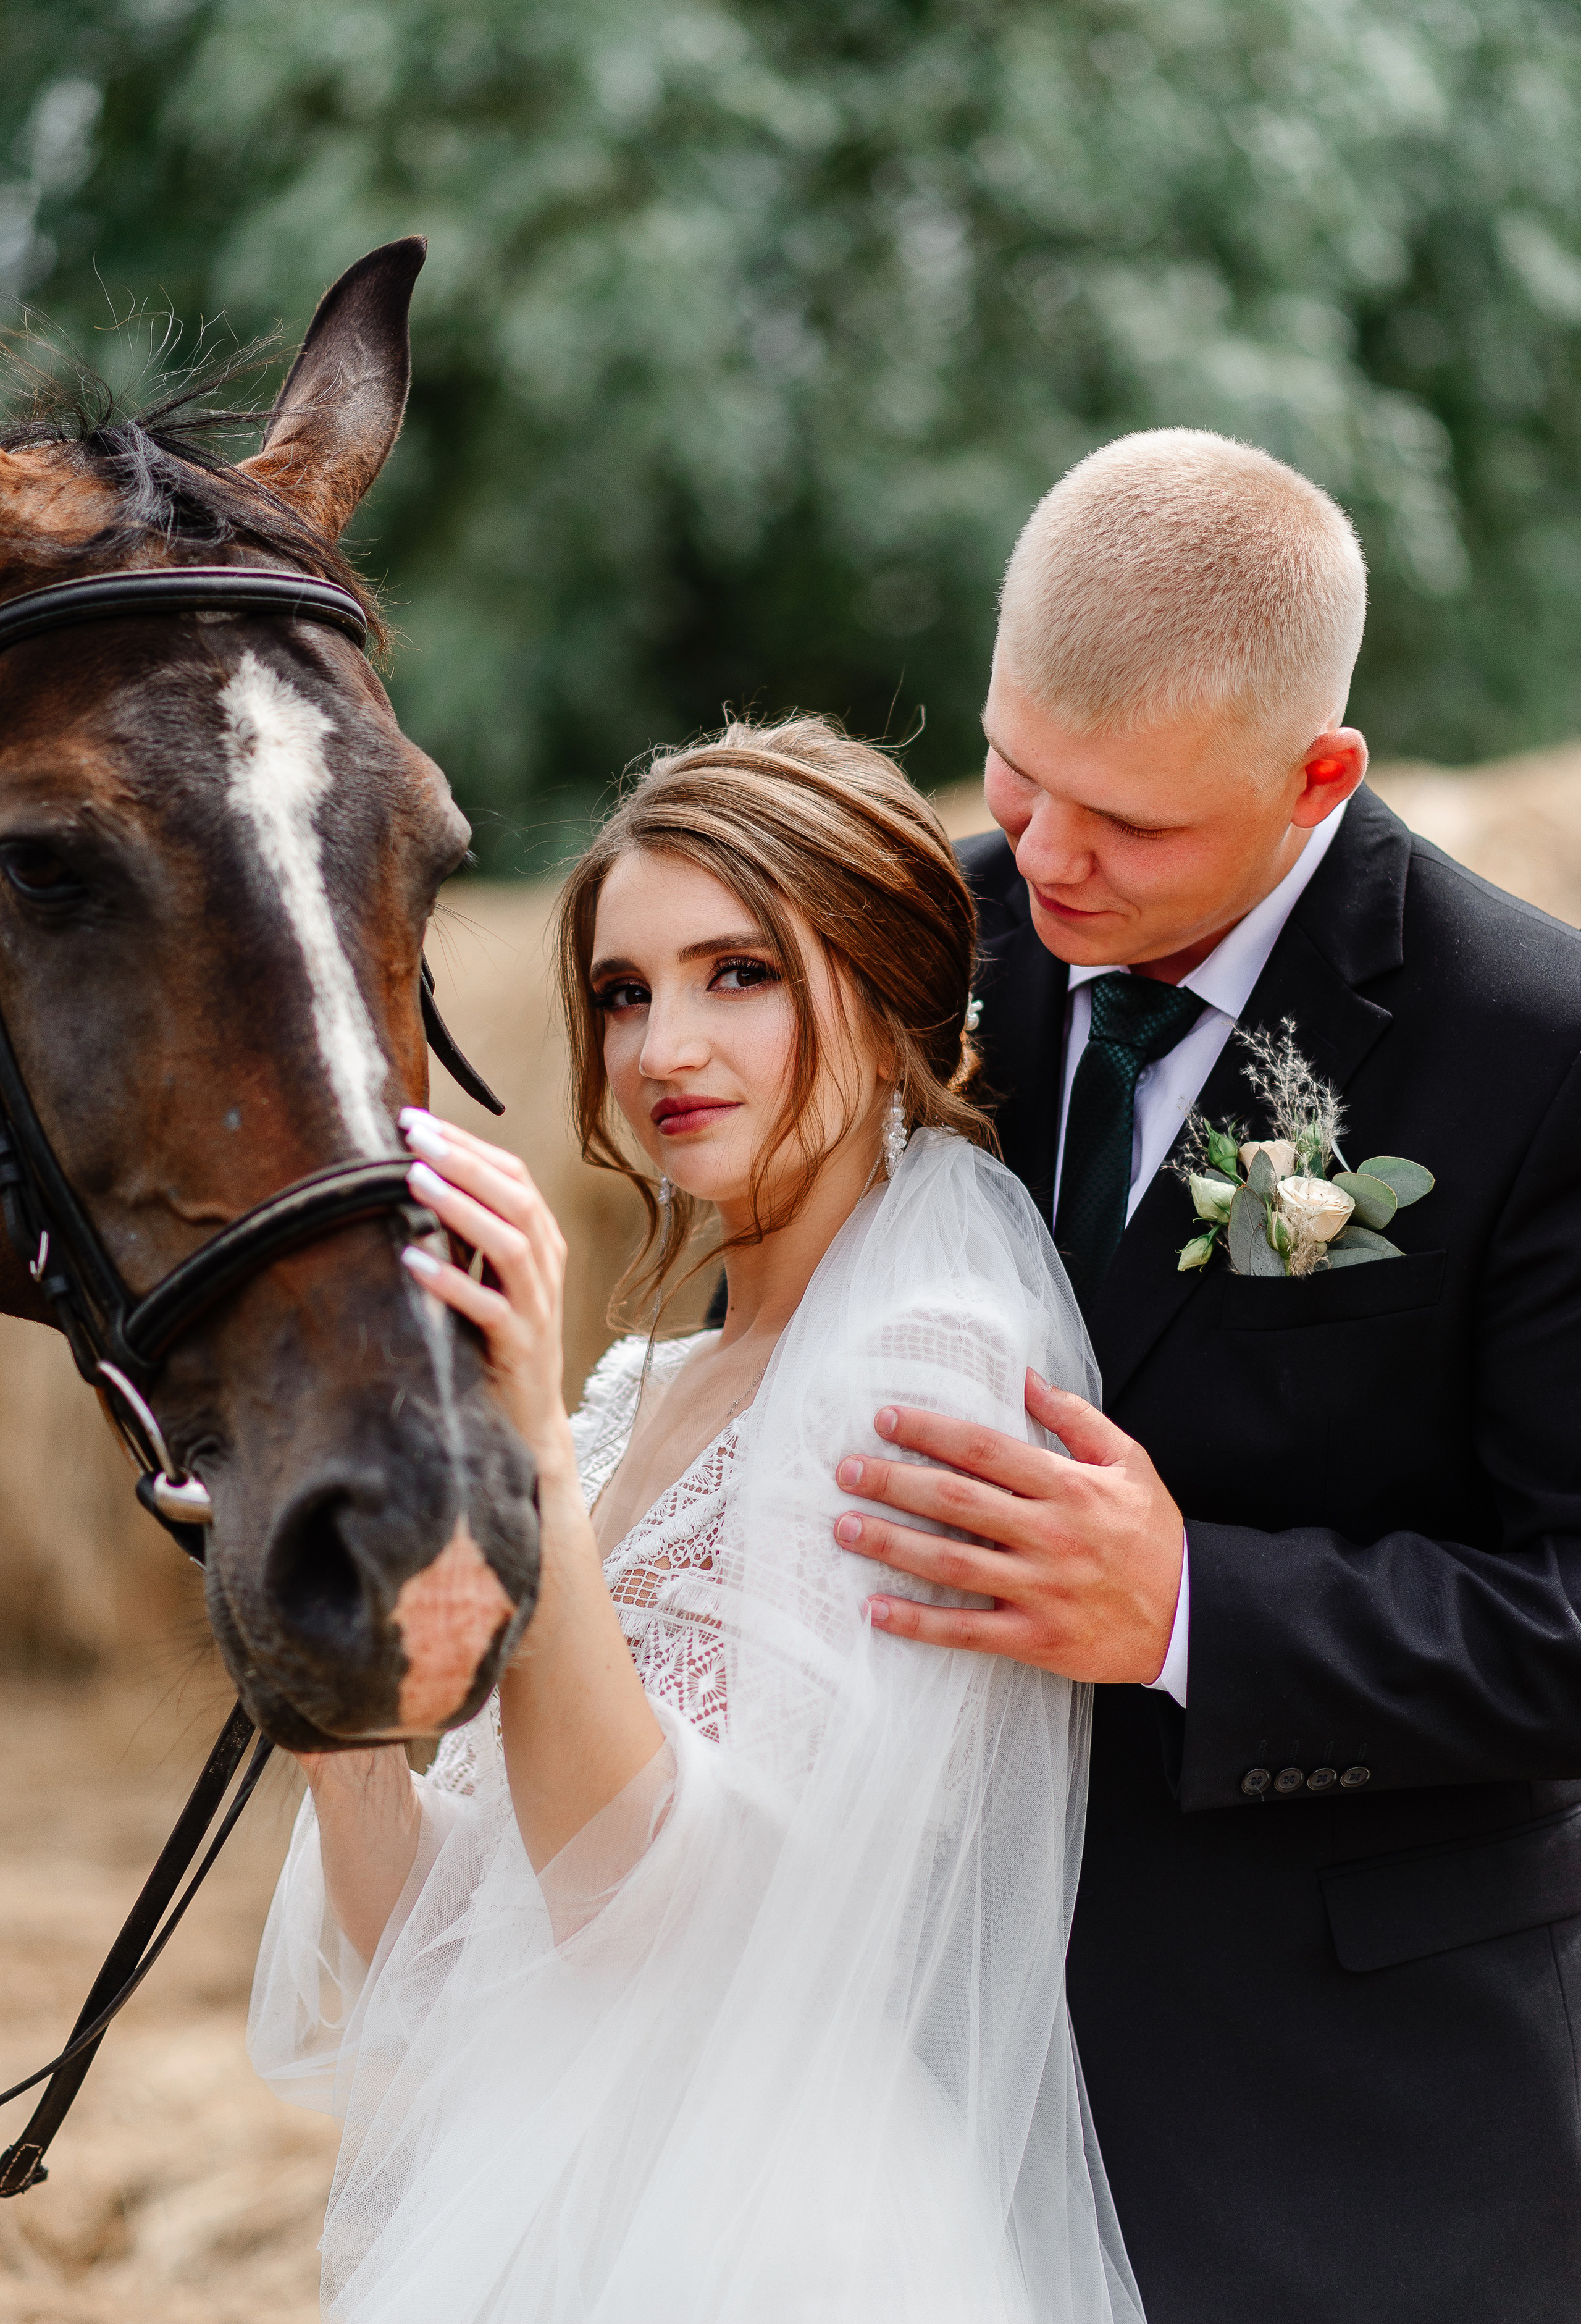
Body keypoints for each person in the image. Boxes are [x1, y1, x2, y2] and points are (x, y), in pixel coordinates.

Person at [248, 722, 1144, 2324]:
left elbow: (642, 1908)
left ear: (881, 996)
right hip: (534, 2191)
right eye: (623, 989)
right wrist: (311, 1645)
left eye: (740, 974)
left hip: (767, 2234)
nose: (664, 1046)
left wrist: (523, 1442)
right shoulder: (635, 1389)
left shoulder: (929, 1356)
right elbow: (442, 1944)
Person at [829, 428, 1581, 2323]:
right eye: (1019, 768)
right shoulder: (913, 953)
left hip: (1359, 2123)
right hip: (914, 2090)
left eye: (1134, 825)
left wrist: (1188, 1609)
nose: (1048, 857)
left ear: (1320, 772)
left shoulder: (1534, 1055)